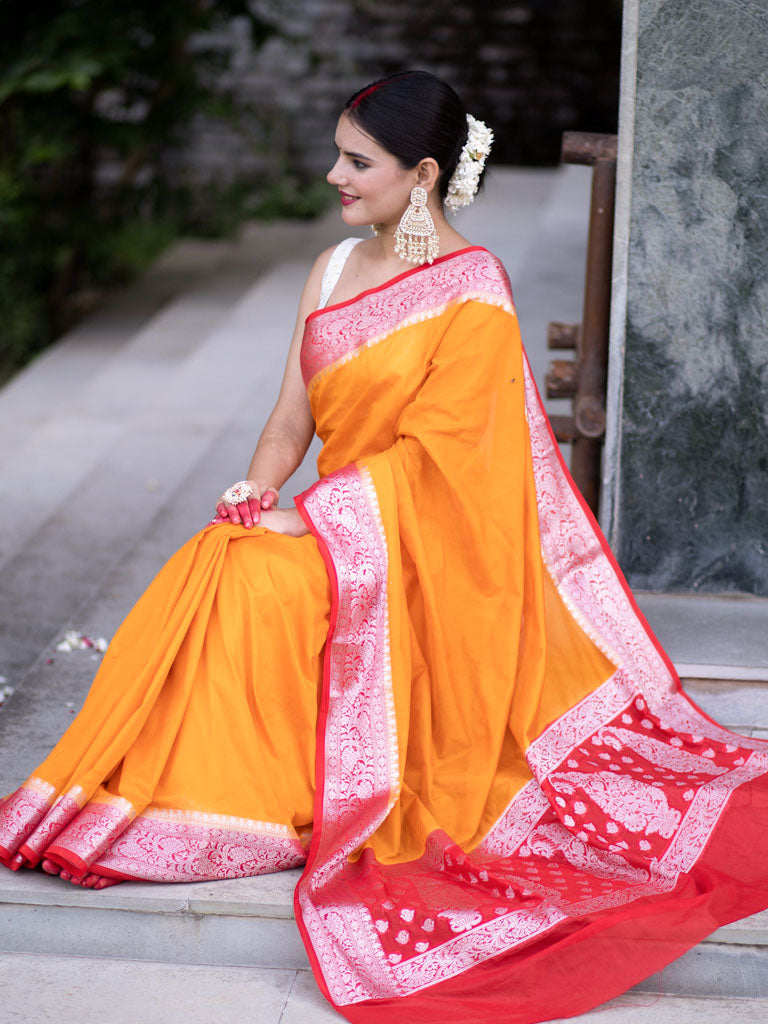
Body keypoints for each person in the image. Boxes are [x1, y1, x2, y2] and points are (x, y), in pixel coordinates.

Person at [1, 70, 767, 1024]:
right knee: (221, 554)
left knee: (259, 583)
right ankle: (156, 796)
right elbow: (290, 417)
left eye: (357, 161)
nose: (334, 175)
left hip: (423, 557)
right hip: (347, 522)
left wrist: (311, 520)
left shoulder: (470, 291)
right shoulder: (330, 271)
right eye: (338, 154)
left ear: (425, 175)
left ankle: (230, 811)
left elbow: (454, 473)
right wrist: (260, 486)